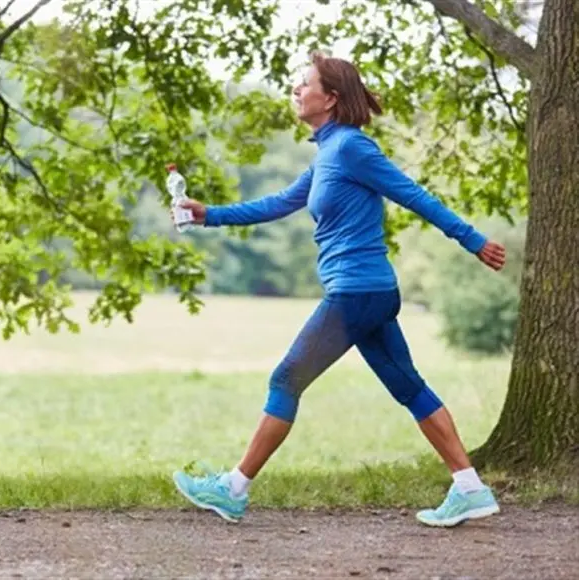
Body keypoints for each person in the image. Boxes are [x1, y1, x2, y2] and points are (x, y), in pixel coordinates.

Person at [170, 51, 507, 528]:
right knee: (408, 387)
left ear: (329, 98)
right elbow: (279, 203)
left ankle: (233, 489)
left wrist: (471, 240)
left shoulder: (352, 147)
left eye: (304, 83)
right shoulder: (328, 153)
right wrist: (210, 215)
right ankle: (470, 487)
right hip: (367, 293)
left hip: (355, 293)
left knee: (286, 380)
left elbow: (412, 193)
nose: (296, 89)